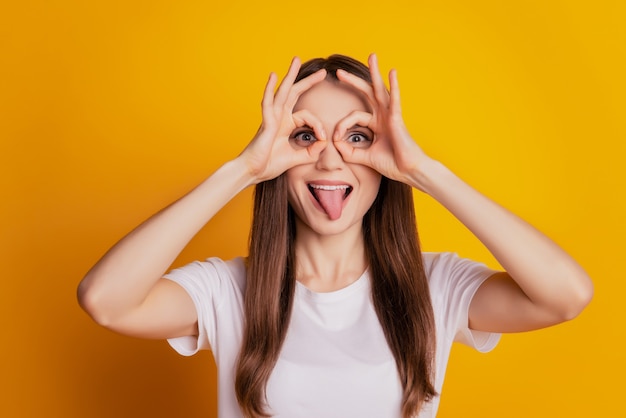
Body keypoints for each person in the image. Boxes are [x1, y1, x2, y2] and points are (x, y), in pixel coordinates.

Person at [77, 54, 593, 418]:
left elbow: (567, 295)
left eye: (357, 136)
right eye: (305, 135)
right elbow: (106, 300)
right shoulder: (227, 290)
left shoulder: (437, 285)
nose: (329, 157)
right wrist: (242, 169)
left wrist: (424, 171)